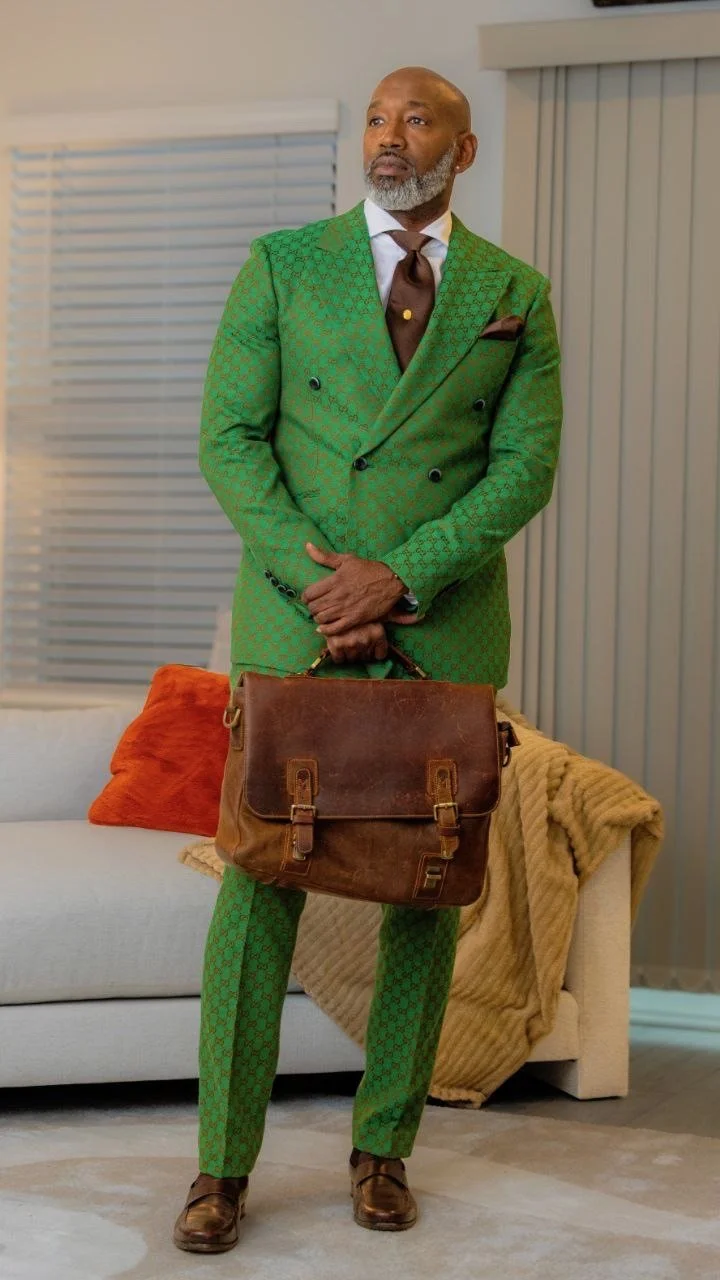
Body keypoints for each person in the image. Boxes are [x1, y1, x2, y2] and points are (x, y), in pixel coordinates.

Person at [173, 64, 563, 1253]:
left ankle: (384, 1148)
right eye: (381, 119)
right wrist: (327, 583)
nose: (393, 138)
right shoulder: (285, 262)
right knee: (256, 887)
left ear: (466, 146)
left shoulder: (516, 292)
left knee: (425, 889)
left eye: (421, 118)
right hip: (301, 623)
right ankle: (221, 1167)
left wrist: (402, 575)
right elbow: (229, 439)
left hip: (436, 624)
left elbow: (523, 468)